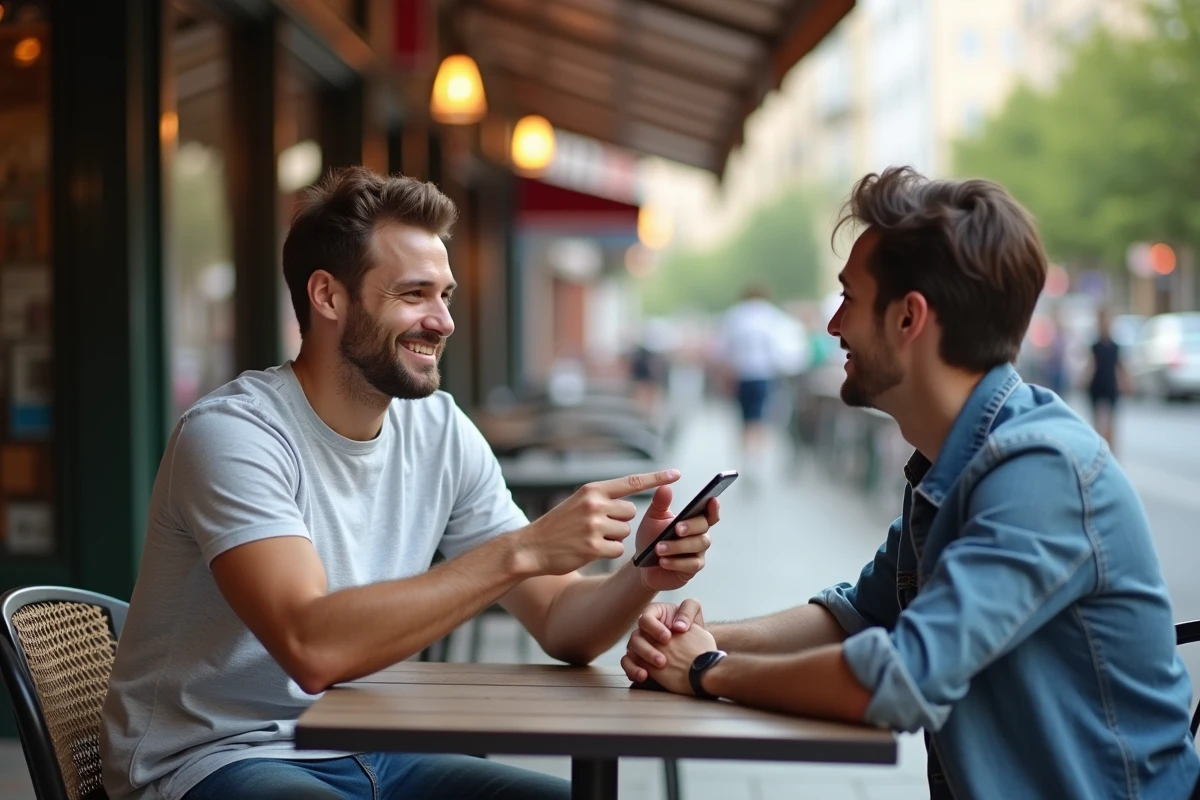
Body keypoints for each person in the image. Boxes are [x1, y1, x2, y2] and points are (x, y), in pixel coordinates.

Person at [100, 167, 721, 800]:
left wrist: (641, 575)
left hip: (375, 745)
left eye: (445, 295)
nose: (443, 321)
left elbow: (562, 622)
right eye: (414, 294)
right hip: (217, 757)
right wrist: (523, 549)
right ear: (328, 296)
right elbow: (310, 647)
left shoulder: (439, 430)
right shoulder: (234, 435)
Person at [620, 167, 1200, 800]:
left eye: (849, 298)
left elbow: (899, 679)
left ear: (908, 318)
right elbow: (858, 617)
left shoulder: (1042, 469)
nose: (833, 325)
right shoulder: (955, 459)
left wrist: (709, 670)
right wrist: (692, 638)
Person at [715, 285, 807, 472]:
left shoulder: (735, 316)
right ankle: (755, 459)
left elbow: (724, 349)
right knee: (760, 419)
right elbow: (781, 351)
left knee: (745, 419)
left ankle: (747, 457)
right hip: (764, 375)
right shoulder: (771, 317)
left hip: (742, 375)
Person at [1087, 306, 1130, 454]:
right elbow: (1090, 365)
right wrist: (1084, 380)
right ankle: (1098, 449)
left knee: (1111, 423)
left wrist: (1126, 382)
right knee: (1096, 422)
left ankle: (1111, 452)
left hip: (1111, 385)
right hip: (1097, 385)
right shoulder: (1094, 346)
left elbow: (1121, 366)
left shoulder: (1115, 346)